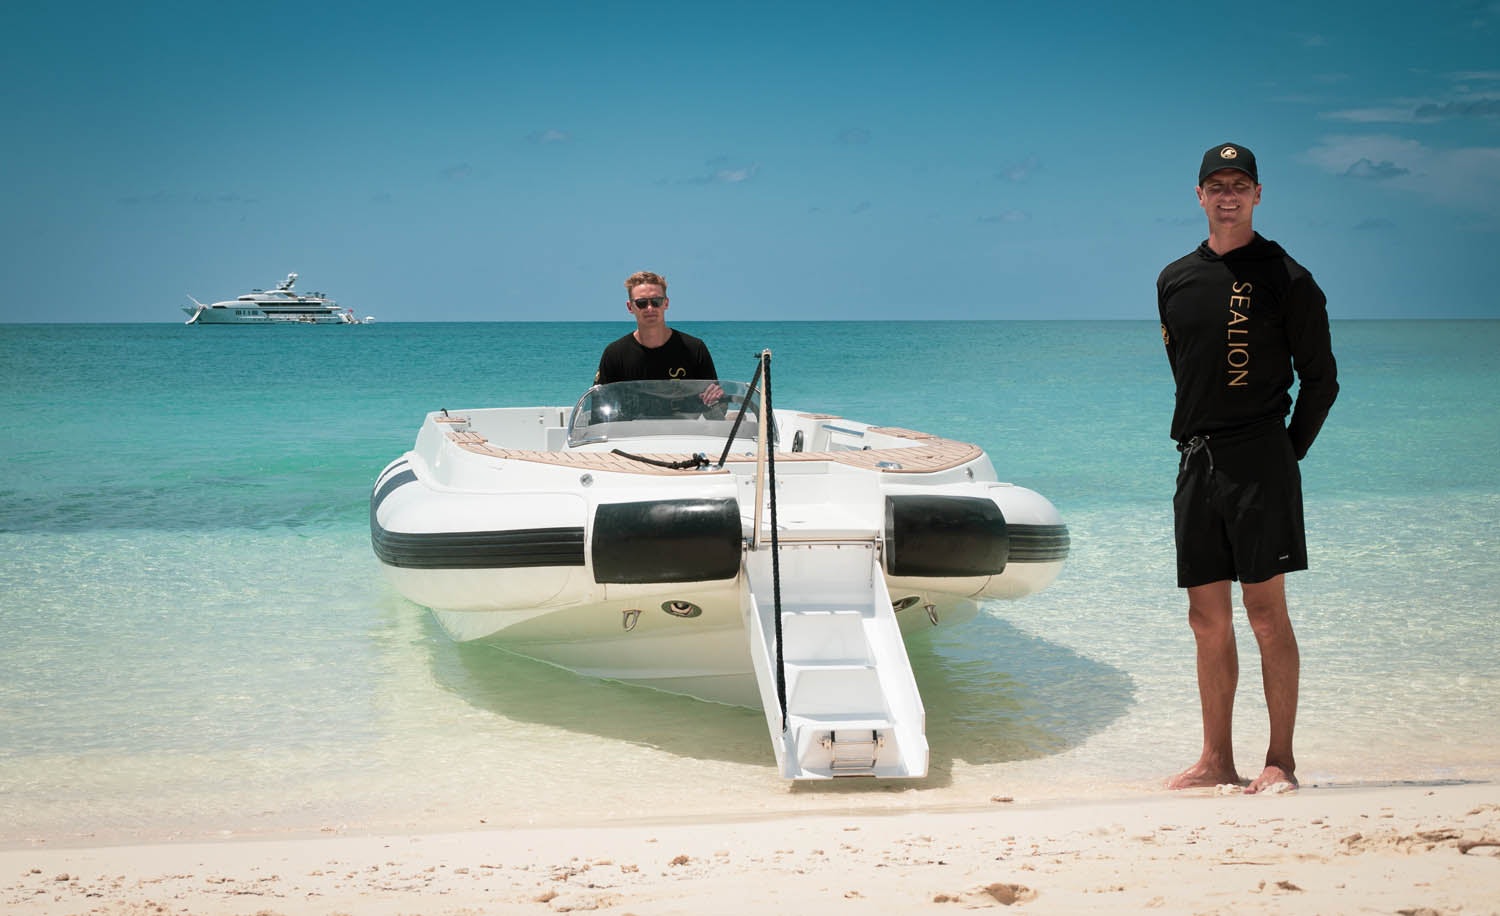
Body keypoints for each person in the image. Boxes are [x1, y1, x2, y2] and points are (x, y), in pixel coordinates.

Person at [1156, 143, 1339, 795]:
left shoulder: (1288, 277)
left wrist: (1285, 454)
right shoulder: (1175, 278)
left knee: (1265, 614)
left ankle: (1280, 761)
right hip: (1196, 460)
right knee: (1206, 617)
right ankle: (1214, 761)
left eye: (1239, 184)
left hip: (1262, 459)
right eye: (1216, 185)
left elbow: (1321, 381)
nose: (1227, 195)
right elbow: (1188, 371)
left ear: (1258, 195)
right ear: (1199, 195)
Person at [596, 270, 722, 405]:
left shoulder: (695, 349)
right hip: (631, 426)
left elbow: (715, 408)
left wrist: (716, 399)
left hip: (683, 425)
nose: (650, 308)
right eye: (642, 303)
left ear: (666, 303)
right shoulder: (614, 354)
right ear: (630, 307)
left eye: (656, 301)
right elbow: (599, 405)